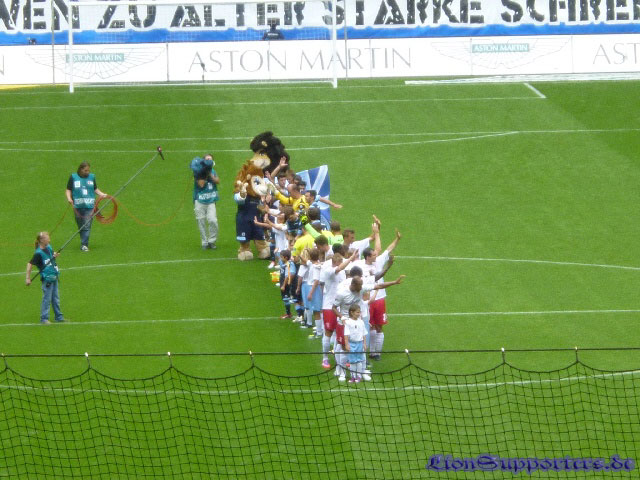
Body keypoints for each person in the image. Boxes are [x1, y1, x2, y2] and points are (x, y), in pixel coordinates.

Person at [65, 161, 108, 252]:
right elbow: (68, 189)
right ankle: (83, 241)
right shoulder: (73, 177)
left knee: (86, 225)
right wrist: (69, 198)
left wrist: (102, 194)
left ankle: (84, 245)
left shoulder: (92, 177)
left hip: (90, 206)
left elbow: (95, 189)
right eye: (85, 170)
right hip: (77, 206)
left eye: (88, 170)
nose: (87, 172)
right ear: (81, 169)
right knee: (81, 225)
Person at [25, 232, 64, 324]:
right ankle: (44, 319)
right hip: (47, 279)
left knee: (55, 298)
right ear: (42, 240)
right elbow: (30, 264)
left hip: (54, 276)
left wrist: (54, 255)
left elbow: (51, 255)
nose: (49, 239)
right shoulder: (38, 253)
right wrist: (27, 278)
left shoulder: (48, 247)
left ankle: (59, 317)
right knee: (47, 299)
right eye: (47, 238)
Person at [193, 154, 220, 250]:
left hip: (211, 201)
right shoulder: (198, 172)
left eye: (211, 159)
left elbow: (217, 181)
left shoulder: (213, 171)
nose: (209, 161)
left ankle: (212, 241)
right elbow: (201, 184)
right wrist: (205, 174)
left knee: (213, 220)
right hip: (200, 201)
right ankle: (204, 242)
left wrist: (210, 174)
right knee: (201, 222)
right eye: (207, 159)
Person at [344, 304, 369, 382]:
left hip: (359, 344)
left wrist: (364, 344)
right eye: (357, 312)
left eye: (359, 312)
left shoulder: (361, 322)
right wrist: (347, 344)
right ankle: (353, 376)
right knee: (352, 361)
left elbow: (364, 334)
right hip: (352, 344)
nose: (359, 314)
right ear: (352, 312)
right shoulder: (348, 322)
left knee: (359, 360)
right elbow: (346, 334)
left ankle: (359, 376)